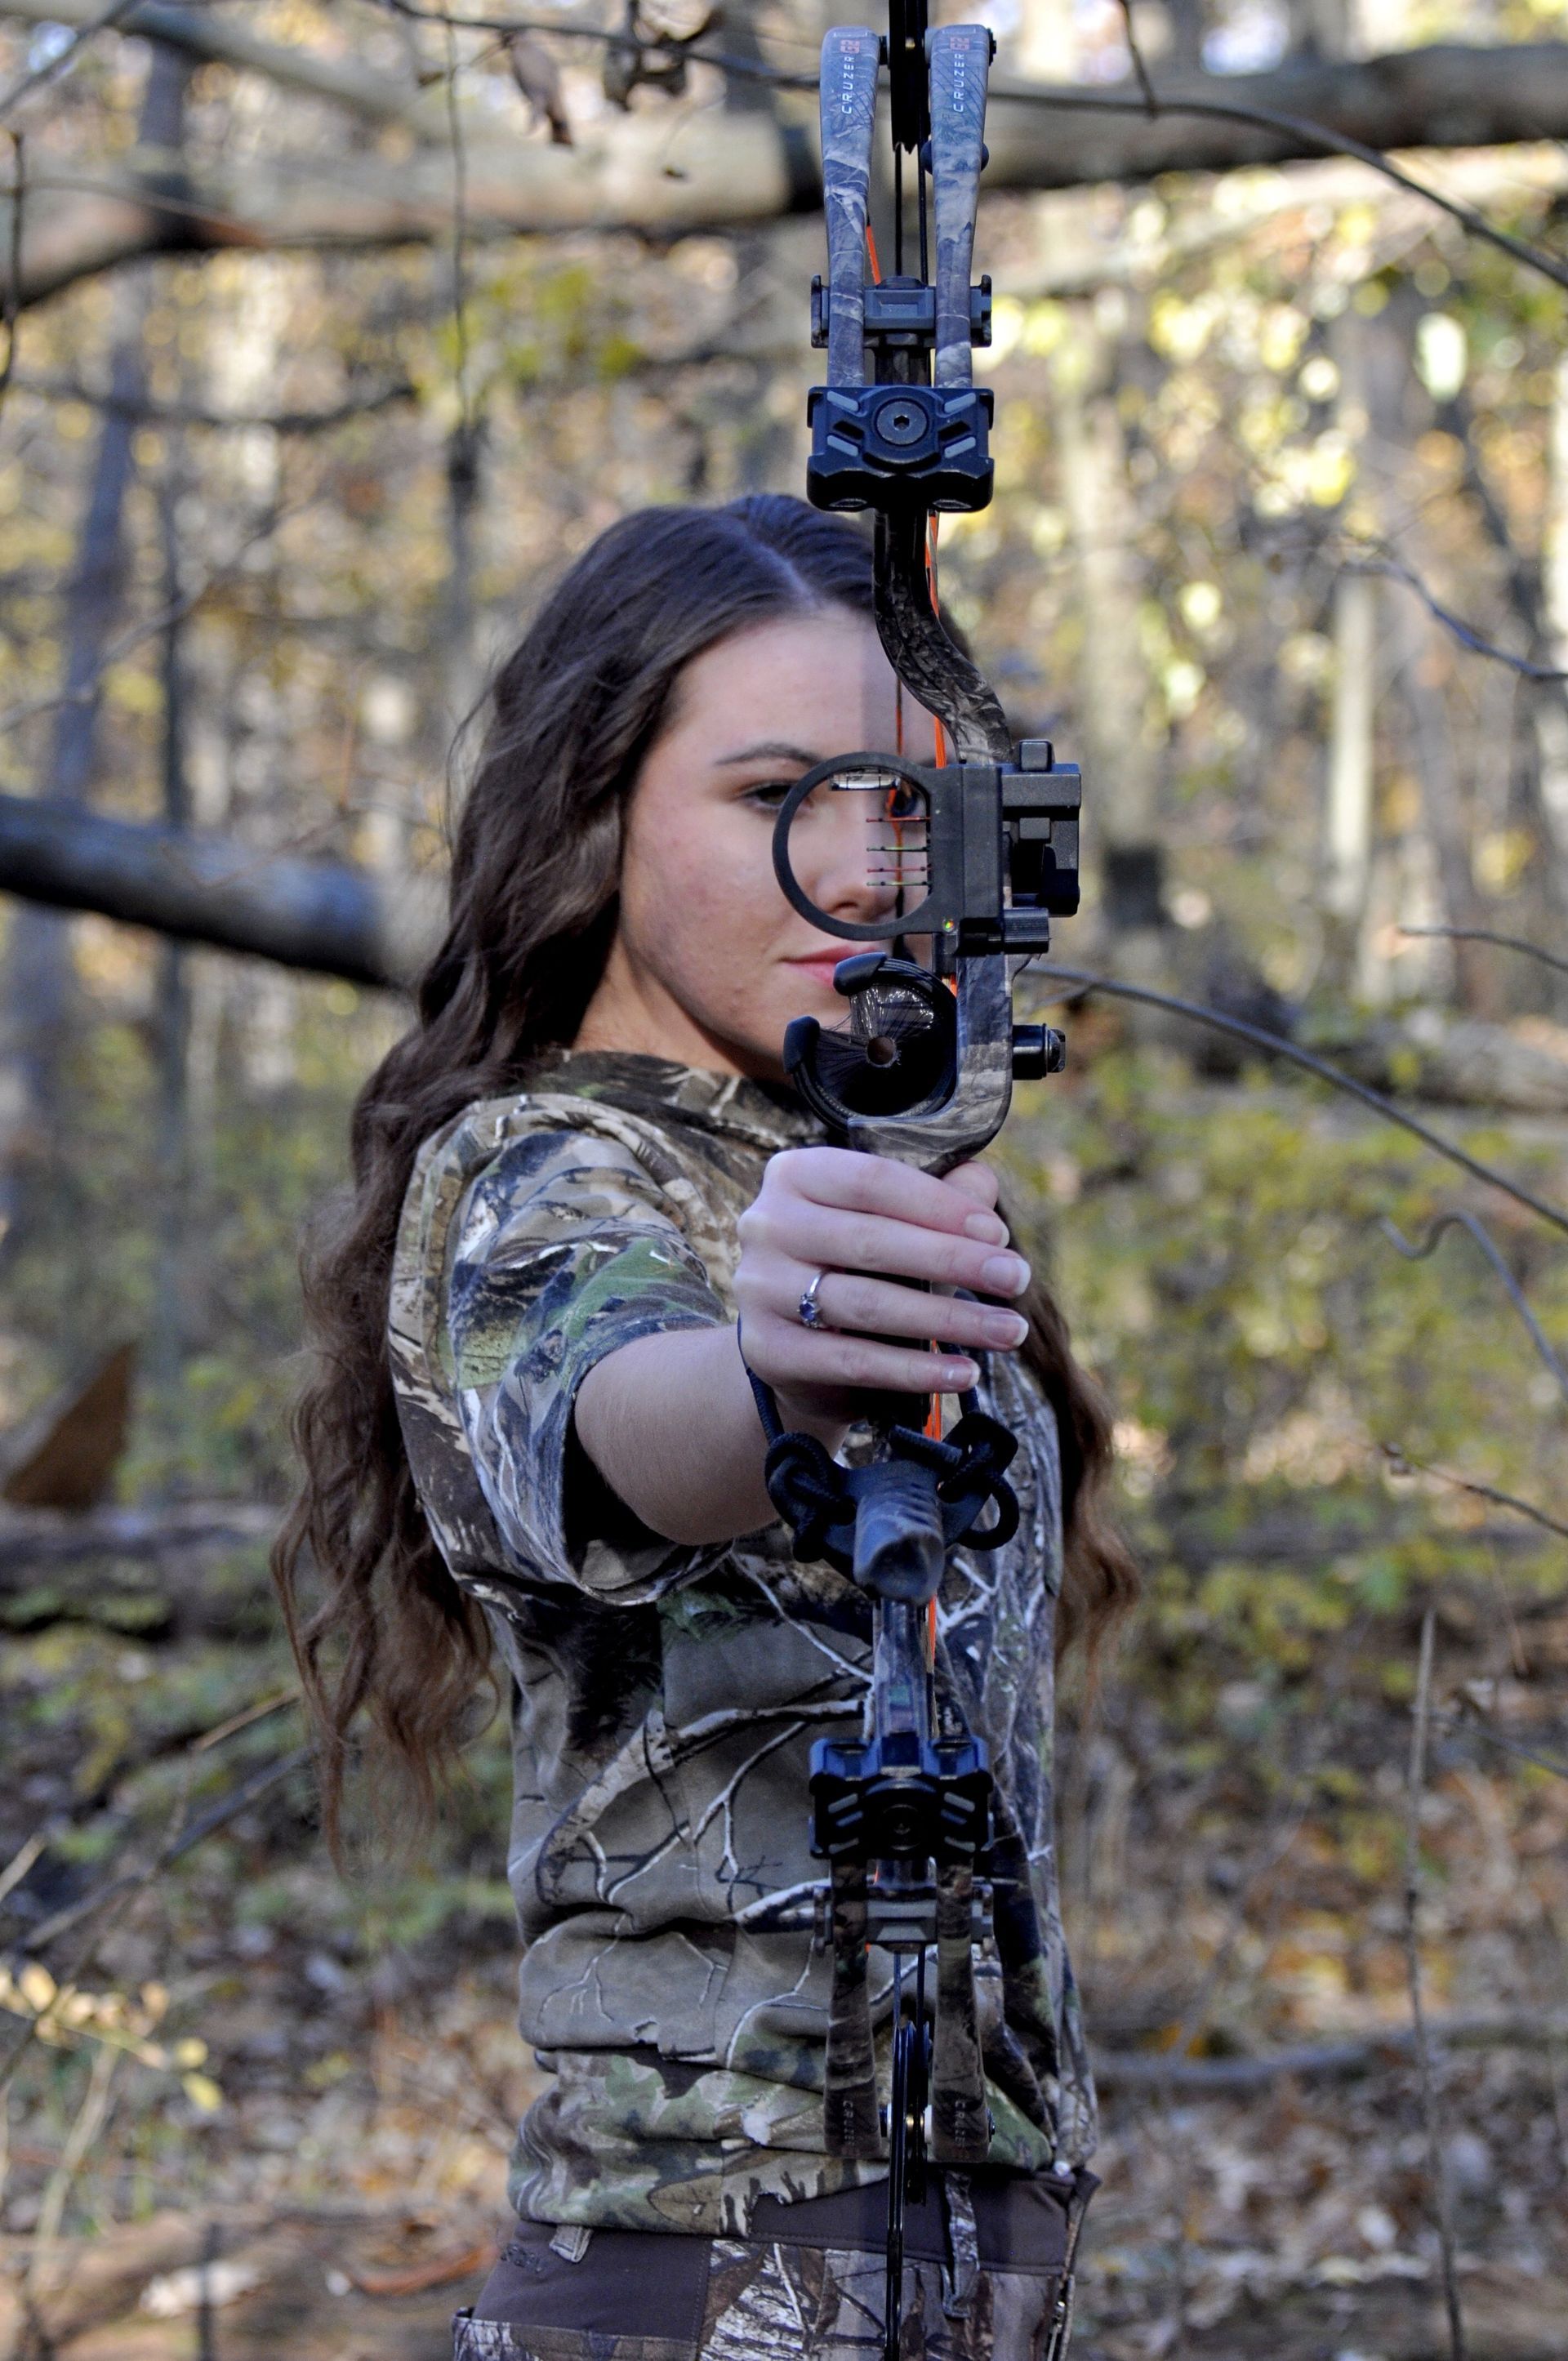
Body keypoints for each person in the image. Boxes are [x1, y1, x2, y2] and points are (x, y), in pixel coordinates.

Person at [273, 494, 1137, 2359]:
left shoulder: (842, 1159)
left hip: (969, 2270)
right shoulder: (536, 1173)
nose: (860, 872)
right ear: (596, 812)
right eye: (771, 798)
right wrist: (783, 1382)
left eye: (904, 808)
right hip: (692, 2282)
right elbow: (636, 1407)